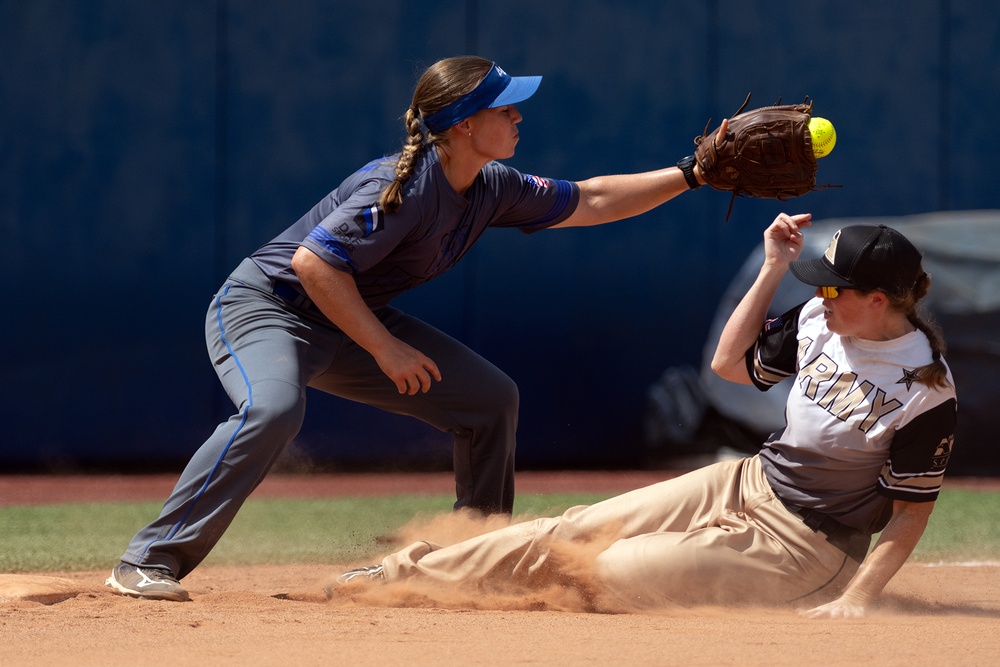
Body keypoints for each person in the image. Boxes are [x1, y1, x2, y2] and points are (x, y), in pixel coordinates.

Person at [105, 55, 728, 601]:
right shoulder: (400, 185)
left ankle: (475, 561)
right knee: (272, 409)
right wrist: (384, 348)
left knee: (489, 401)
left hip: (346, 316)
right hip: (267, 308)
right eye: (505, 108)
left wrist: (691, 173)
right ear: (464, 124)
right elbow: (312, 263)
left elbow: (591, 199)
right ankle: (149, 559)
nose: (518, 117)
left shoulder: (491, 187)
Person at [335, 213, 957, 618]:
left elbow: (910, 514)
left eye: (832, 286)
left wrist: (857, 599)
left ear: (877, 301)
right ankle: (392, 576)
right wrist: (771, 269)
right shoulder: (822, 319)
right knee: (574, 531)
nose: (819, 293)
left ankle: (491, 589)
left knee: (609, 570)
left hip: (811, 548)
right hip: (749, 480)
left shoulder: (924, 389)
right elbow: (728, 364)